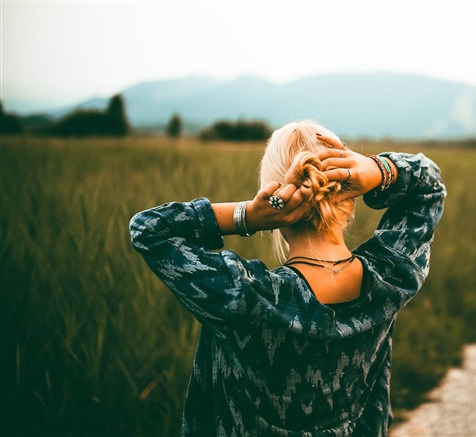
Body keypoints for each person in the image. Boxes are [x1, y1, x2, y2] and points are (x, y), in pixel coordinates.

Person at [129, 120, 446, 436]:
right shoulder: (391, 278)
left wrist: (247, 215)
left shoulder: (245, 297)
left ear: (275, 205)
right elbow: (429, 187)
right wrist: (380, 170)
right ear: (351, 198)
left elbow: (149, 230)